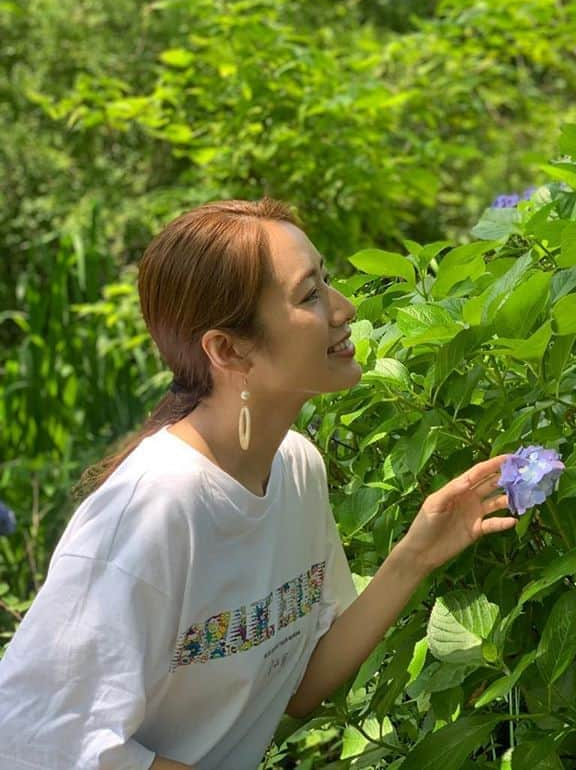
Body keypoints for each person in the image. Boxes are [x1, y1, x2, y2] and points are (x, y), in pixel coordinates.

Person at [0, 198, 517, 769]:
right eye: (309, 295)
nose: (344, 309)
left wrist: (414, 556)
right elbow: (34, 736)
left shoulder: (296, 466)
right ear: (227, 349)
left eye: (327, 280)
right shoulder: (155, 507)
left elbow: (296, 685)